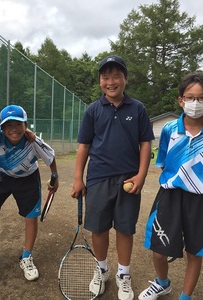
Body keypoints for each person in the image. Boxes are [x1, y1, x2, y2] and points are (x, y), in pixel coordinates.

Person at [138, 71, 203, 300]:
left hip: (202, 200)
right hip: (170, 196)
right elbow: (164, 164)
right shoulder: (169, 130)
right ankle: (162, 283)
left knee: (194, 252)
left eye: (202, 98)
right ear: (181, 100)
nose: (195, 103)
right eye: (190, 97)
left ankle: (185, 297)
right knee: (158, 250)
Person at [71, 55, 155, 300]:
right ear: (100, 81)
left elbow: (145, 144)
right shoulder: (93, 110)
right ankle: (102, 269)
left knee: (125, 229)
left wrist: (141, 175)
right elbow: (84, 147)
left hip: (129, 180)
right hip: (98, 179)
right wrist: (78, 178)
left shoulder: (137, 108)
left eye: (116, 76)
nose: (111, 81)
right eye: (105, 77)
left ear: (125, 79)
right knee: (99, 228)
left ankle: (124, 274)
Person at [0, 104, 58, 281]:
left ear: (26, 125)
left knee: (30, 217)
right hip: (2, 177)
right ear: (1, 127)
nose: (13, 129)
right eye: (8, 125)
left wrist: (55, 178)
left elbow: (51, 157)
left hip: (28, 179)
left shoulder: (33, 141)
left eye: (18, 124)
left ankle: (26, 256)